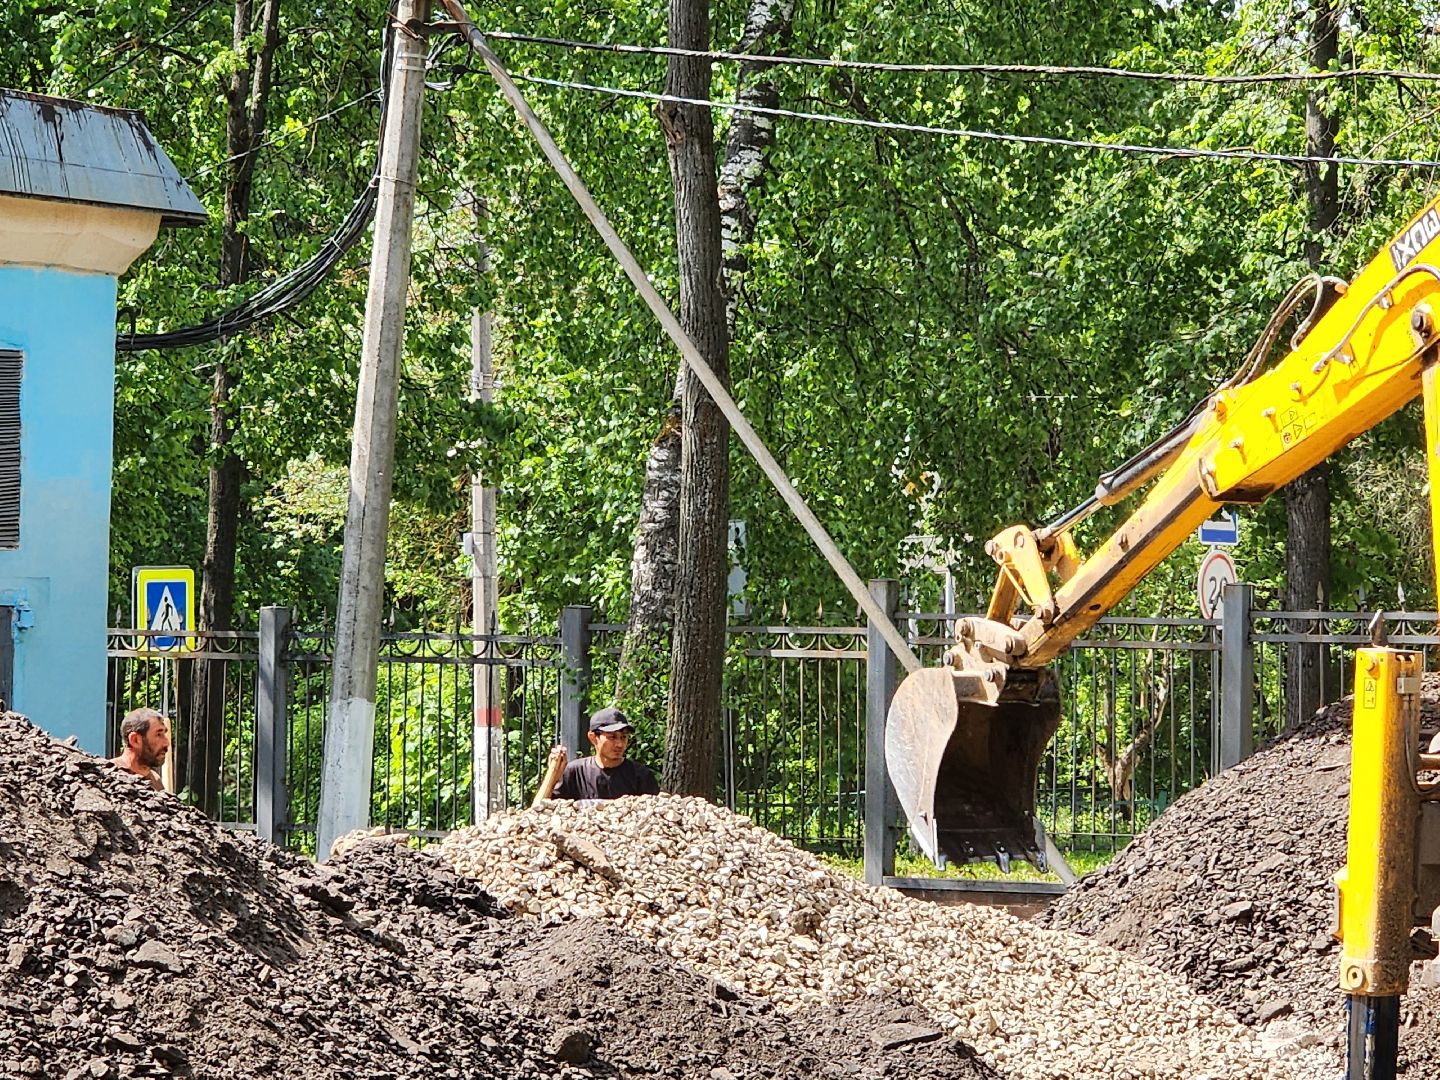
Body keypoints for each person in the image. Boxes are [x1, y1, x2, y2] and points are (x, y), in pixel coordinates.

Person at [544, 706, 660, 801]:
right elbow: (542, 810)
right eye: (612, 737)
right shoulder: (574, 774)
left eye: (623, 737)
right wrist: (552, 774)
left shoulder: (641, 777)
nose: (619, 744)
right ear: (593, 737)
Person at [108, 707, 170, 791]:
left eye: (164, 734)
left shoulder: (155, 780)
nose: (166, 743)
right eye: (158, 735)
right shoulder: (108, 776)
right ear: (135, 740)